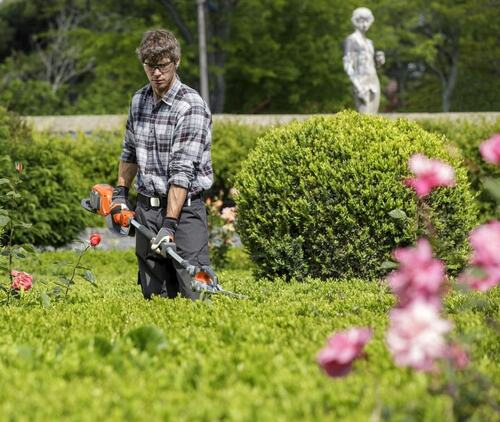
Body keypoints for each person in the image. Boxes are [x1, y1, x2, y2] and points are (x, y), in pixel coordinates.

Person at [112, 29, 213, 300]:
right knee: (153, 295)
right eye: (150, 66)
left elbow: (182, 172)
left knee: (197, 291)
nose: (157, 73)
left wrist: (169, 225)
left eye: (163, 66)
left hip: (185, 214)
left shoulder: (190, 106)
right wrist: (120, 195)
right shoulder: (139, 101)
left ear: (176, 62)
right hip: (147, 211)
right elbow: (129, 152)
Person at [343, 7, 385, 114]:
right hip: (361, 81)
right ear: (355, 21)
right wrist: (357, 85)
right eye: (361, 21)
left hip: (374, 81)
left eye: (367, 21)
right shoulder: (352, 39)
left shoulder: (369, 42)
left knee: (374, 115)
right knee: (364, 115)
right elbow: (347, 64)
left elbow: (371, 64)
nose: (364, 24)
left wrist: (379, 61)